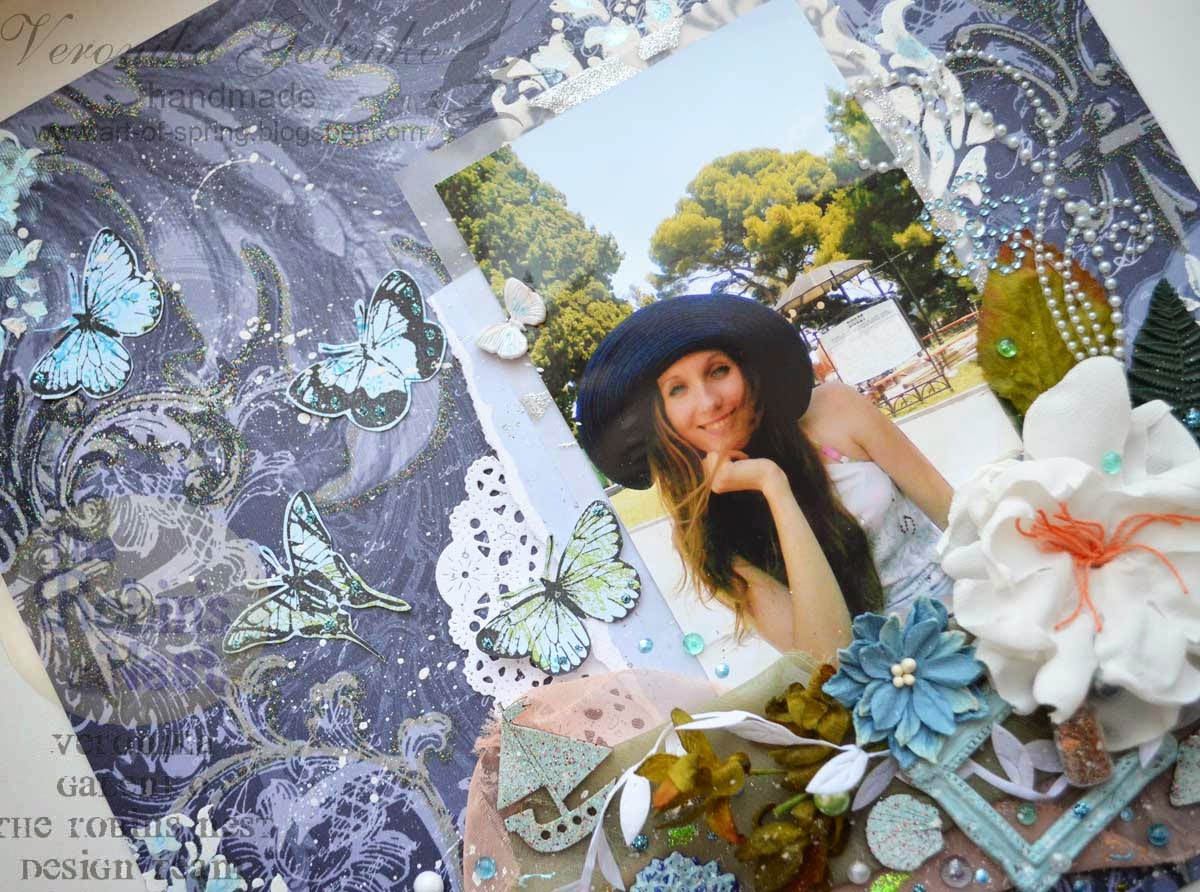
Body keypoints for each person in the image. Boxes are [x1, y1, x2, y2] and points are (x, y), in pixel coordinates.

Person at [575, 293, 954, 662]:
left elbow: (956, 516)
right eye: (678, 390)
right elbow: (824, 661)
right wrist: (774, 487)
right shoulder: (703, 530)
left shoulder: (834, 409)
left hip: (972, 611)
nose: (709, 402)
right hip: (892, 684)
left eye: (718, 370)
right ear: (662, 419)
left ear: (746, 371)